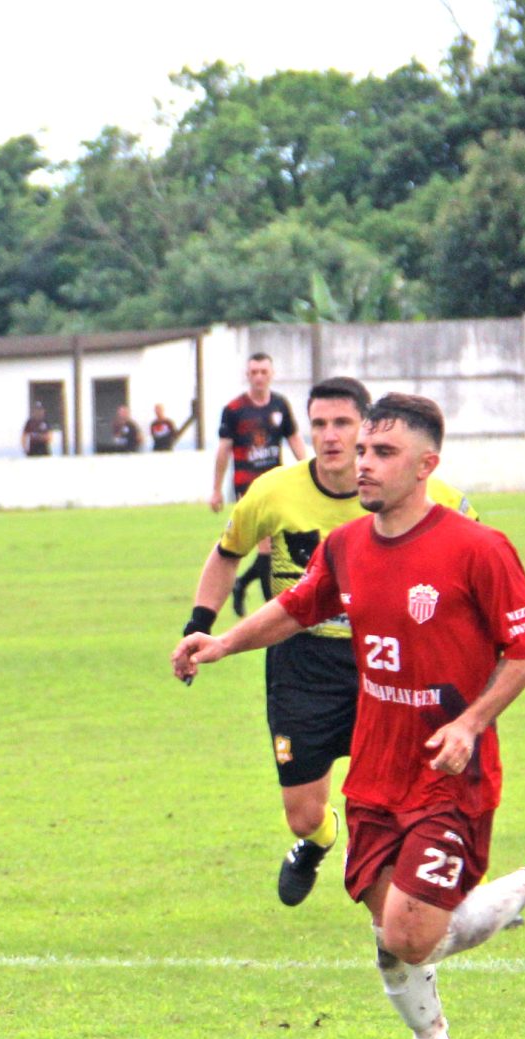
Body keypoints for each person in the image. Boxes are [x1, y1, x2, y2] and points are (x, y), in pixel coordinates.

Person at [173, 394, 525, 1039]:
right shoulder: (347, 547)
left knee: (411, 933)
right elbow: (294, 607)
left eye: (384, 453)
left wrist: (471, 722)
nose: (362, 463)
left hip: (447, 772)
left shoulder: (478, 548)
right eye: (364, 448)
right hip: (376, 771)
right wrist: (222, 640)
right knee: (392, 924)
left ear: (425, 466)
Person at [179, 377, 476, 906]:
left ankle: (436, 886)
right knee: (302, 813)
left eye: (343, 423)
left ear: (368, 430)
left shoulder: (435, 499)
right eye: (319, 424)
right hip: (301, 660)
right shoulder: (273, 491)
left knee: (412, 790)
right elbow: (229, 552)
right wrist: (200, 626)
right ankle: (318, 841)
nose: (330, 436)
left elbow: (471, 563)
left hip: (386, 660)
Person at [211, 352, 310, 612]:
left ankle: (242, 584)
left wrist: (311, 469)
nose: (258, 377)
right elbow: (223, 450)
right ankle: (273, 610)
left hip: (276, 485)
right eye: (254, 372)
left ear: (272, 374)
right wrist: (216, 489)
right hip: (248, 485)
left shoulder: (279, 405)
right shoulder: (234, 410)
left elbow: (294, 439)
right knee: (267, 547)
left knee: (272, 548)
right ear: (247, 375)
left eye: (263, 372)